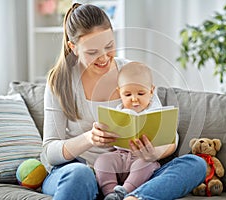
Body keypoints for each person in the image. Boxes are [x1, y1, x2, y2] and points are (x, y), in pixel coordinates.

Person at [40, 3, 207, 200]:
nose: (103, 57)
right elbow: (49, 152)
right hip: (83, 173)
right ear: (73, 48)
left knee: (195, 164)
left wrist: (154, 153)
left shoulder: (131, 72)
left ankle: (133, 197)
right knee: (79, 173)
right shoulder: (60, 82)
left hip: (135, 174)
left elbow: (171, 138)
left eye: (109, 46)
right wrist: (89, 138)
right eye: (92, 52)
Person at [94, 62, 168, 200]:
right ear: (119, 92)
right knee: (102, 161)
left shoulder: (156, 110)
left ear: (151, 91)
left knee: (147, 165)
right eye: (127, 94)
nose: (134, 99)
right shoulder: (118, 111)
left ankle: (125, 191)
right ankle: (110, 193)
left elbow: (168, 136)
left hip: (143, 157)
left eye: (141, 93)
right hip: (120, 155)